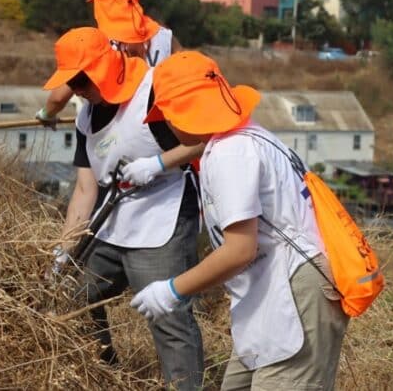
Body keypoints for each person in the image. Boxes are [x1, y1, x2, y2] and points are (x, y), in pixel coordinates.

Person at [131, 51, 349, 390]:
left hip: (294, 295)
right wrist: (159, 163)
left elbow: (239, 250)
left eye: (166, 117)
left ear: (180, 114)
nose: (167, 126)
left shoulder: (232, 153)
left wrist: (173, 290)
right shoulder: (242, 135)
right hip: (273, 296)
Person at [44, 27, 204, 390]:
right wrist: (63, 250)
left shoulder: (153, 92)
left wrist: (158, 164)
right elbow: (85, 190)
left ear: (101, 71)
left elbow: (202, 140)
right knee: (73, 297)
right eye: (74, 86)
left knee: (168, 316)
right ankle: (105, 373)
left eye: (81, 84)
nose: (78, 93)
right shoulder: (87, 117)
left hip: (162, 217)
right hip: (113, 221)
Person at [36, 0, 181, 129]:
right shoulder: (166, 37)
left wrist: (46, 114)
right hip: (158, 124)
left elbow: (59, 97)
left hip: (112, 127)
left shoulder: (98, 43)